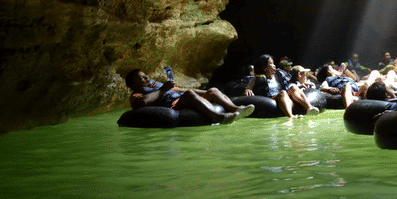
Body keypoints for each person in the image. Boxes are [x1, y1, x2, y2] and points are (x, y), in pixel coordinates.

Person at [125, 69, 254, 124]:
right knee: (188, 94)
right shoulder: (136, 95)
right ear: (134, 84)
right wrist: (164, 89)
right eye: (141, 77)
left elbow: (181, 90)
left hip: (181, 98)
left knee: (213, 90)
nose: (146, 77)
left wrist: (207, 93)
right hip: (172, 106)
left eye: (145, 75)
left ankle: (235, 109)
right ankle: (219, 117)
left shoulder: (157, 86)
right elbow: (143, 102)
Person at [246, 54, 320, 119]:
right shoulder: (257, 79)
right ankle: (291, 116)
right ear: (264, 67)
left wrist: (299, 86)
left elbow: (288, 83)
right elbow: (248, 88)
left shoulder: (278, 75)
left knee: (293, 87)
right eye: (271, 64)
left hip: (282, 95)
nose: (274, 65)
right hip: (270, 98)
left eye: (274, 63)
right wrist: (248, 90)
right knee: (283, 93)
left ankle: (309, 107)